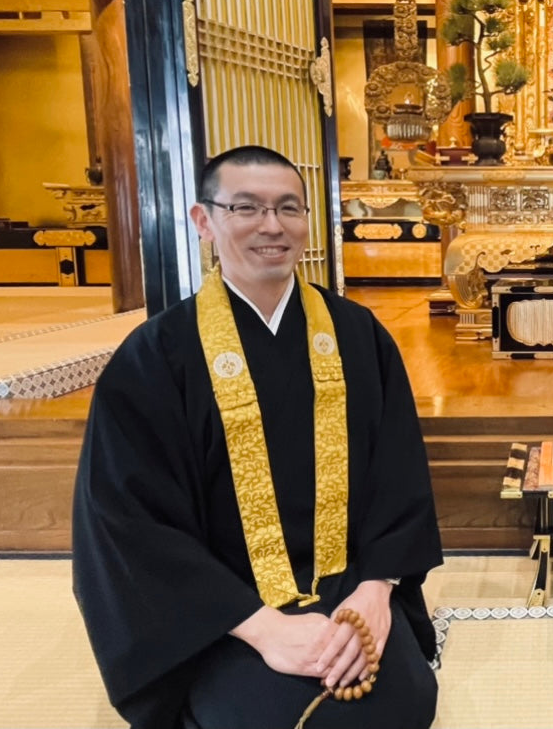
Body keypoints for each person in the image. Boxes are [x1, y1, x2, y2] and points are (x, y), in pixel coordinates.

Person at [72, 145, 443, 729]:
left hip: (349, 587)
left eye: (289, 208)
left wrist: (375, 594)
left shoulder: (358, 335)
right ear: (205, 221)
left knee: (401, 703)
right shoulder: (155, 358)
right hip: (220, 611)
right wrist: (265, 630)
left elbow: (398, 476)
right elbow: (127, 520)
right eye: (247, 208)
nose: (273, 226)